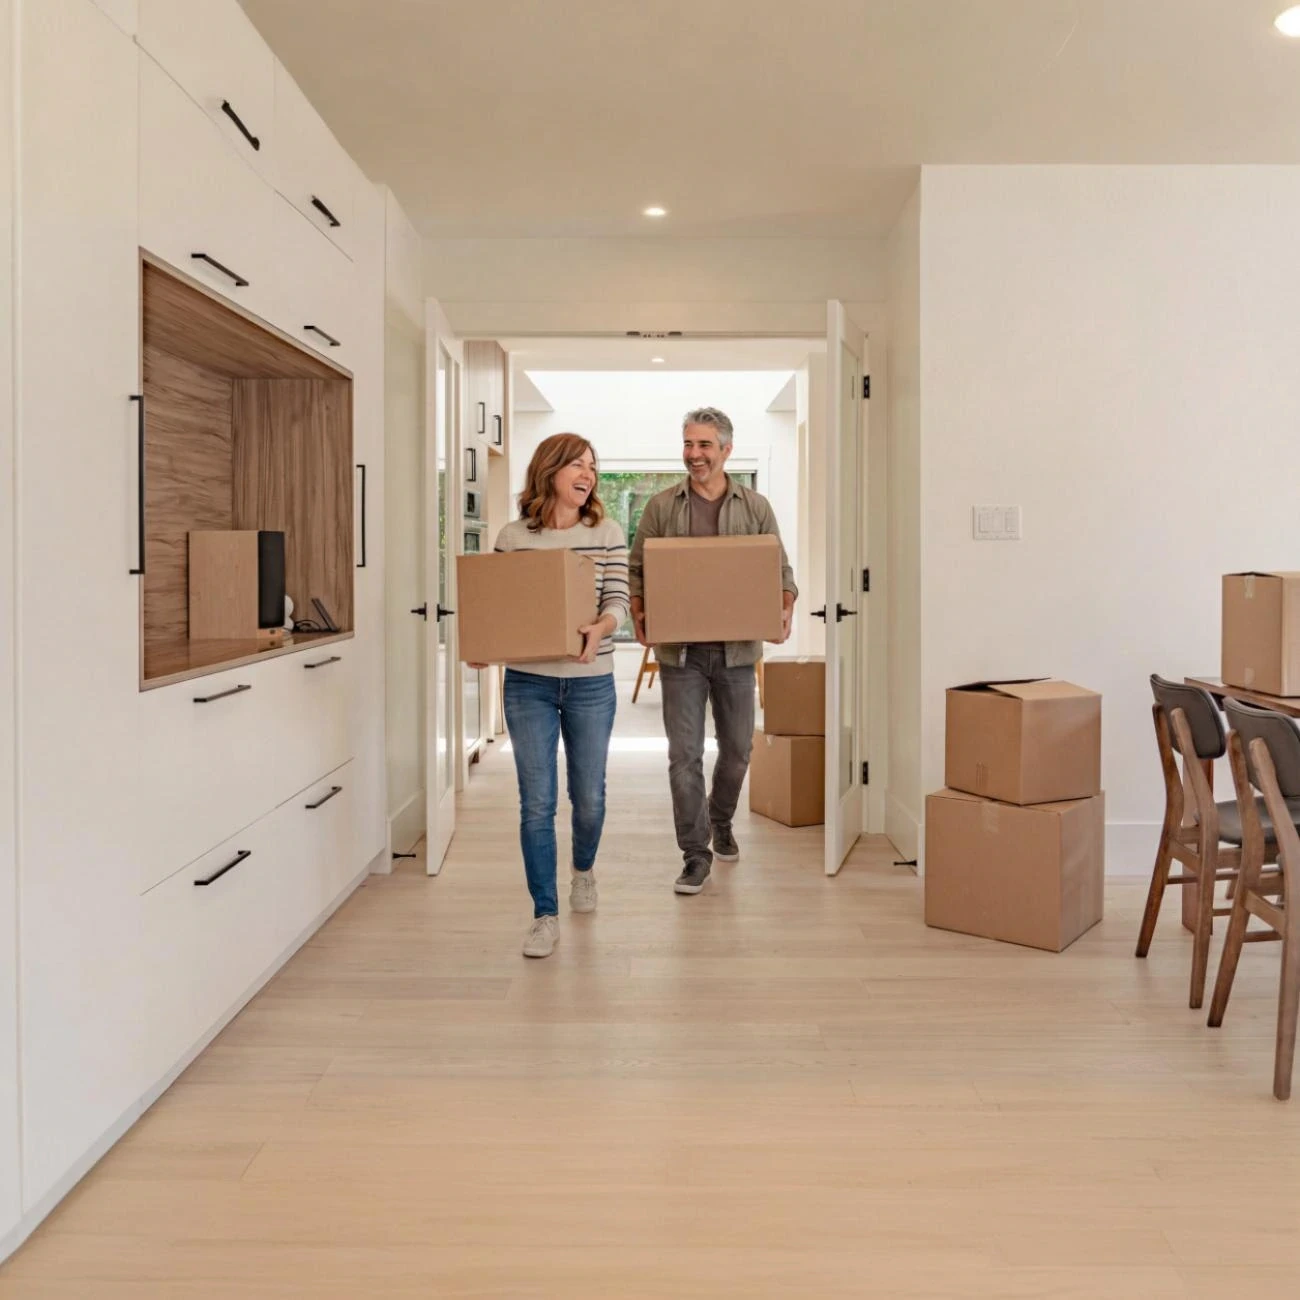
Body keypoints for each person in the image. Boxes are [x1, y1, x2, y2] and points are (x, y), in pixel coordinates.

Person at [627, 406, 797, 896]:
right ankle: (695, 852)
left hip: (738, 651)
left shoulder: (755, 506)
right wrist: (639, 613)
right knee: (684, 756)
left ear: (726, 449)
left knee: (739, 749)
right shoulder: (663, 507)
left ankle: (720, 820)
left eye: (704, 445)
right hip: (680, 654)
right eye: (688, 444)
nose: (694, 455)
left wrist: (783, 608)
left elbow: (779, 569)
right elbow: (639, 568)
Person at [477, 433, 628, 957]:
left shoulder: (607, 531)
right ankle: (544, 912)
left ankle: (582, 869)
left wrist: (600, 627)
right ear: (551, 470)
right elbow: (493, 603)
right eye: (577, 465)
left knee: (588, 798)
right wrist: (483, 641)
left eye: (593, 466)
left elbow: (619, 601)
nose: (588, 474)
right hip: (528, 682)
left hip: (591, 682)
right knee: (536, 802)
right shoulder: (514, 537)